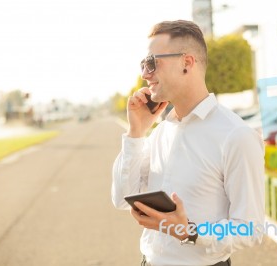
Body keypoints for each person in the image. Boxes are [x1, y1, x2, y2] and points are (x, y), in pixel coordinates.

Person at [112, 20, 265, 266]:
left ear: (186, 63)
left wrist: (190, 232)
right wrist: (136, 132)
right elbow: (122, 199)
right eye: (143, 64)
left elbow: (251, 229)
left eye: (152, 63)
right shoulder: (161, 131)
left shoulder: (236, 135)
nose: (144, 74)